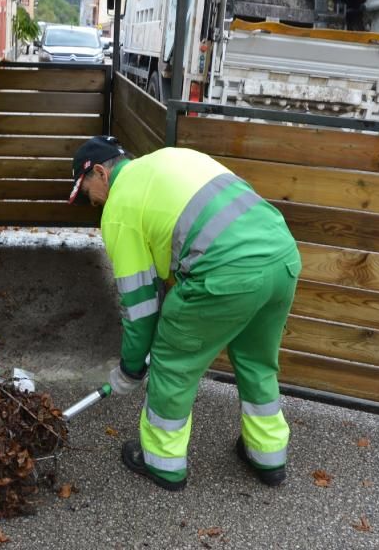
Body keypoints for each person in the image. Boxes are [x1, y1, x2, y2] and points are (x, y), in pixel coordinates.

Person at [69, 136, 301, 491]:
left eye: (87, 192)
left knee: (173, 363)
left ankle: (162, 461)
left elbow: (140, 306)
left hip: (226, 273)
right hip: (281, 257)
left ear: (100, 173)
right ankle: (267, 454)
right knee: (257, 361)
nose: (91, 202)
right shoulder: (171, 158)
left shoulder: (120, 208)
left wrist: (132, 367)